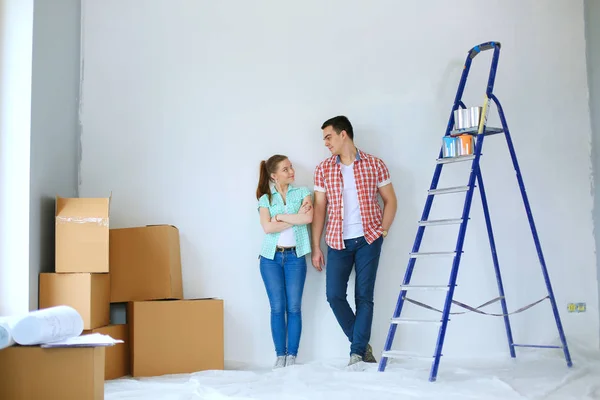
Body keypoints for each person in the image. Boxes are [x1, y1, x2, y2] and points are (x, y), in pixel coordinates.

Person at [311, 116, 398, 366]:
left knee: (364, 297)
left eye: (328, 137)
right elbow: (319, 209)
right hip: (337, 241)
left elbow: (391, 200)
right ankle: (361, 345)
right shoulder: (323, 168)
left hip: (368, 239)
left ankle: (357, 353)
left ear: (343, 134)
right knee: (334, 295)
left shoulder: (375, 164)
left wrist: (383, 230)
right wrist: (316, 246)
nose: (326, 143)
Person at [256, 154, 313, 369]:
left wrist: (279, 217)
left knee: (295, 307)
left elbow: (307, 219)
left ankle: (292, 355)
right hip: (270, 258)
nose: (291, 171)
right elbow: (267, 228)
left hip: (295, 257)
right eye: (285, 169)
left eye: (291, 167)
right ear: (274, 176)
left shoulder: (303, 193)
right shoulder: (265, 199)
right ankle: (280, 355)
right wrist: (293, 216)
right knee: (278, 308)